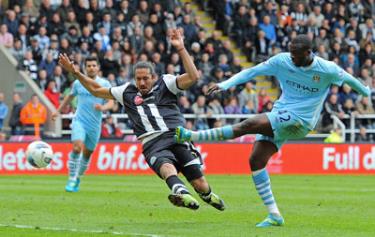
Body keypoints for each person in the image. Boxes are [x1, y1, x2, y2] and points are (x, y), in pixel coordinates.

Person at [175, 35, 370, 226]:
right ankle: (274, 215)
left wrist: (366, 92)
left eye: (296, 54)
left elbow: (351, 80)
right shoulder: (282, 60)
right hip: (282, 113)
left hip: (300, 120)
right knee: (256, 160)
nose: (292, 57)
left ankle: (192, 136)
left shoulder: (327, 69)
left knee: (248, 124)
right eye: (291, 53)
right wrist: (224, 85)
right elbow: (252, 72)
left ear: (309, 52)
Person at [58, 29, 225, 211]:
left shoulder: (166, 83)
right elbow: (96, 91)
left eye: (146, 78)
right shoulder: (126, 91)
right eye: (139, 79)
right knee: (166, 167)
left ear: (153, 77)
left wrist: (181, 49)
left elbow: (194, 77)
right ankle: (181, 192)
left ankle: (207, 195)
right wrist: (76, 72)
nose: (142, 83)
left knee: (200, 184)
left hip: (177, 136)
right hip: (152, 142)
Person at [52, 56, 114, 192]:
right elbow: (69, 97)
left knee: (87, 154)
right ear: (85, 68)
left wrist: (103, 108)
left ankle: (78, 177)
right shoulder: (78, 83)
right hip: (79, 121)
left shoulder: (104, 84)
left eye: (93, 65)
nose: (91, 68)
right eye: (89, 66)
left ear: (98, 67)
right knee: (76, 148)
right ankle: (72, 178)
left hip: (94, 125)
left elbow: (111, 101)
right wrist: (57, 111)